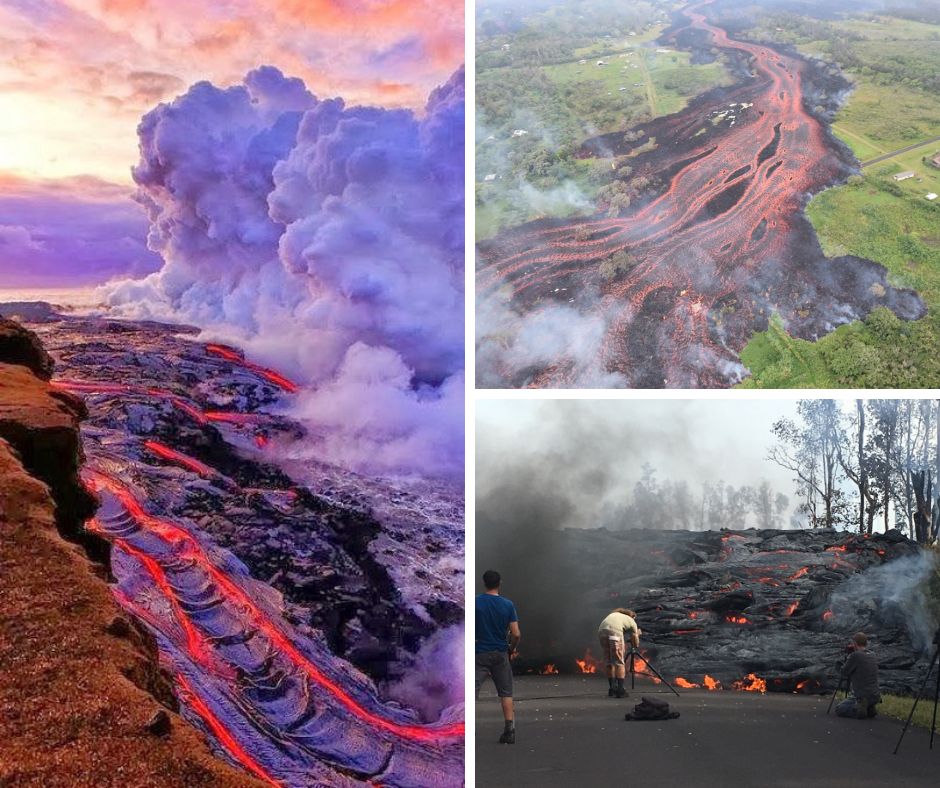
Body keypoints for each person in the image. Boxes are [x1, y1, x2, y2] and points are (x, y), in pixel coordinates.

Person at [475, 569, 521, 744]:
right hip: (501, 652)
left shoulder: (475, 603)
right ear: (499, 583)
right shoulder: (508, 605)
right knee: (506, 692)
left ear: (484, 583)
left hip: (479, 652)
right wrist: (511, 648)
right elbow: (516, 633)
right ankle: (509, 730)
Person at [836, 631, 881, 719]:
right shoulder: (873, 654)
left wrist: (845, 660)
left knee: (839, 709)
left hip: (862, 695)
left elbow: (844, 672)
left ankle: (858, 709)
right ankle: (869, 707)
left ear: (855, 643)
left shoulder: (855, 656)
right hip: (875, 695)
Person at [597, 608, 640, 698]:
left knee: (608, 661)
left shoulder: (614, 615)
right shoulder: (631, 620)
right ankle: (620, 690)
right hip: (615, 633)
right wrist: (637, 635)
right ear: (632, 616)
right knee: (619, 662)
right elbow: (635, 643)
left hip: (601, 632)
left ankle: (612, 688)